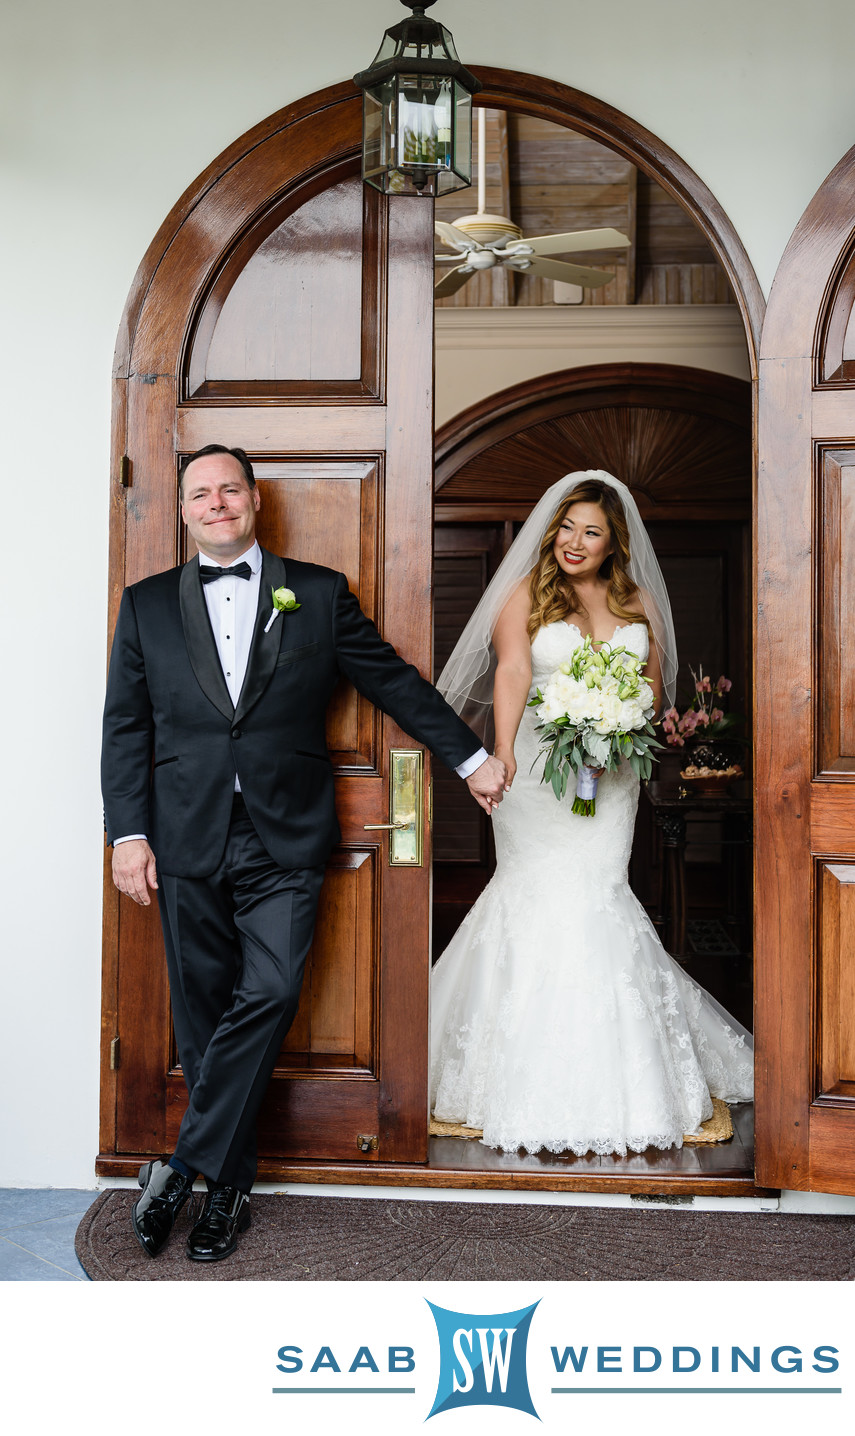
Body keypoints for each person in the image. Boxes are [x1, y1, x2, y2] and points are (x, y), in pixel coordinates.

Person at [101, 443, 507, 1262]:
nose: (216, 504)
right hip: (182, 835)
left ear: (255, 500)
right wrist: (127, 833)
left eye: (229, 490)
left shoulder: (315, 593)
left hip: (282, 833)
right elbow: (125, 725)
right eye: (200, 494)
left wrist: (469, 759)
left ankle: (180, 1167)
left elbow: (391, 680)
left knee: (272, 989)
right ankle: (227, 1192)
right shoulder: (144, 605)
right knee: (201, 1018)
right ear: (183, 511)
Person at [429, 470, 753, 1157]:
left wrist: (620, 734)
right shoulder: (525, 592)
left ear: (614, 543)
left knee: (599, 892)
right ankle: (510, 1074)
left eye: (591, 532)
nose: (574, 542)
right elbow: (513, 672)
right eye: (567, 528)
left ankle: (623, 1079)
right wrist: (501, 752)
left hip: (612, 779)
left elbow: (650, 690)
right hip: (536, 775)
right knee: (534, 892)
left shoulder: (638, 601)